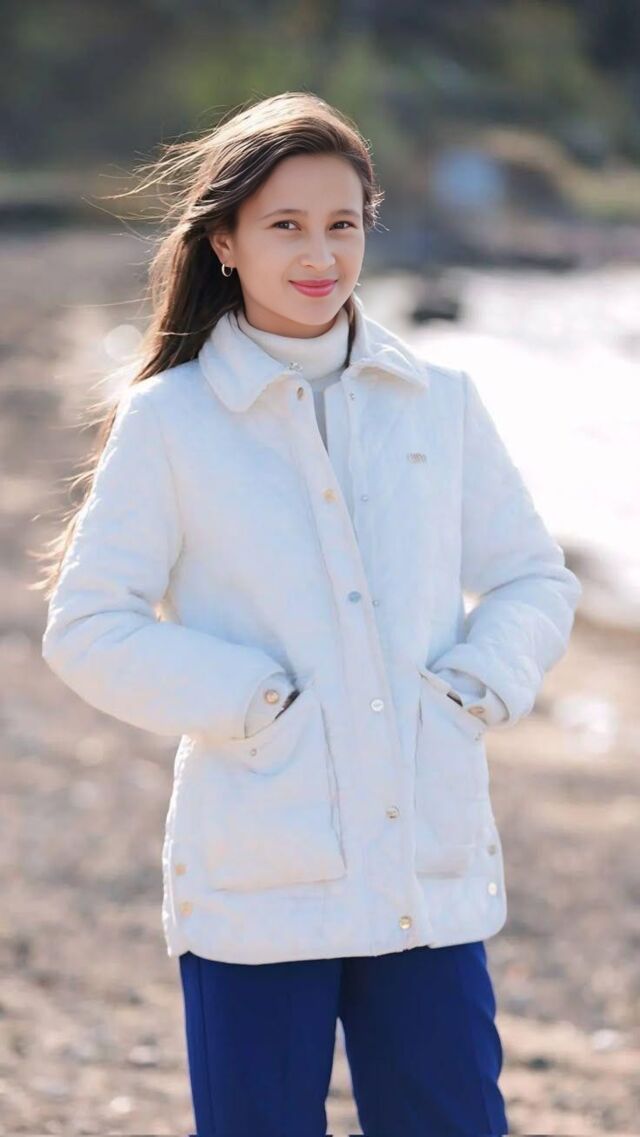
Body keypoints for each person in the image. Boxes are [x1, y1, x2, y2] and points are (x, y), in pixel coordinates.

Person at [39, 91, 582, 1137]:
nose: (320, 254)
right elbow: (90, 624)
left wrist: (475, 685)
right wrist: (254, 702)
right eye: (285, 225)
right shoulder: (171, 420)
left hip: (426, 872)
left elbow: (532, 577)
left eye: (342, 223)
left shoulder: (439, 401)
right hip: (257, 878)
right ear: (225, 241)